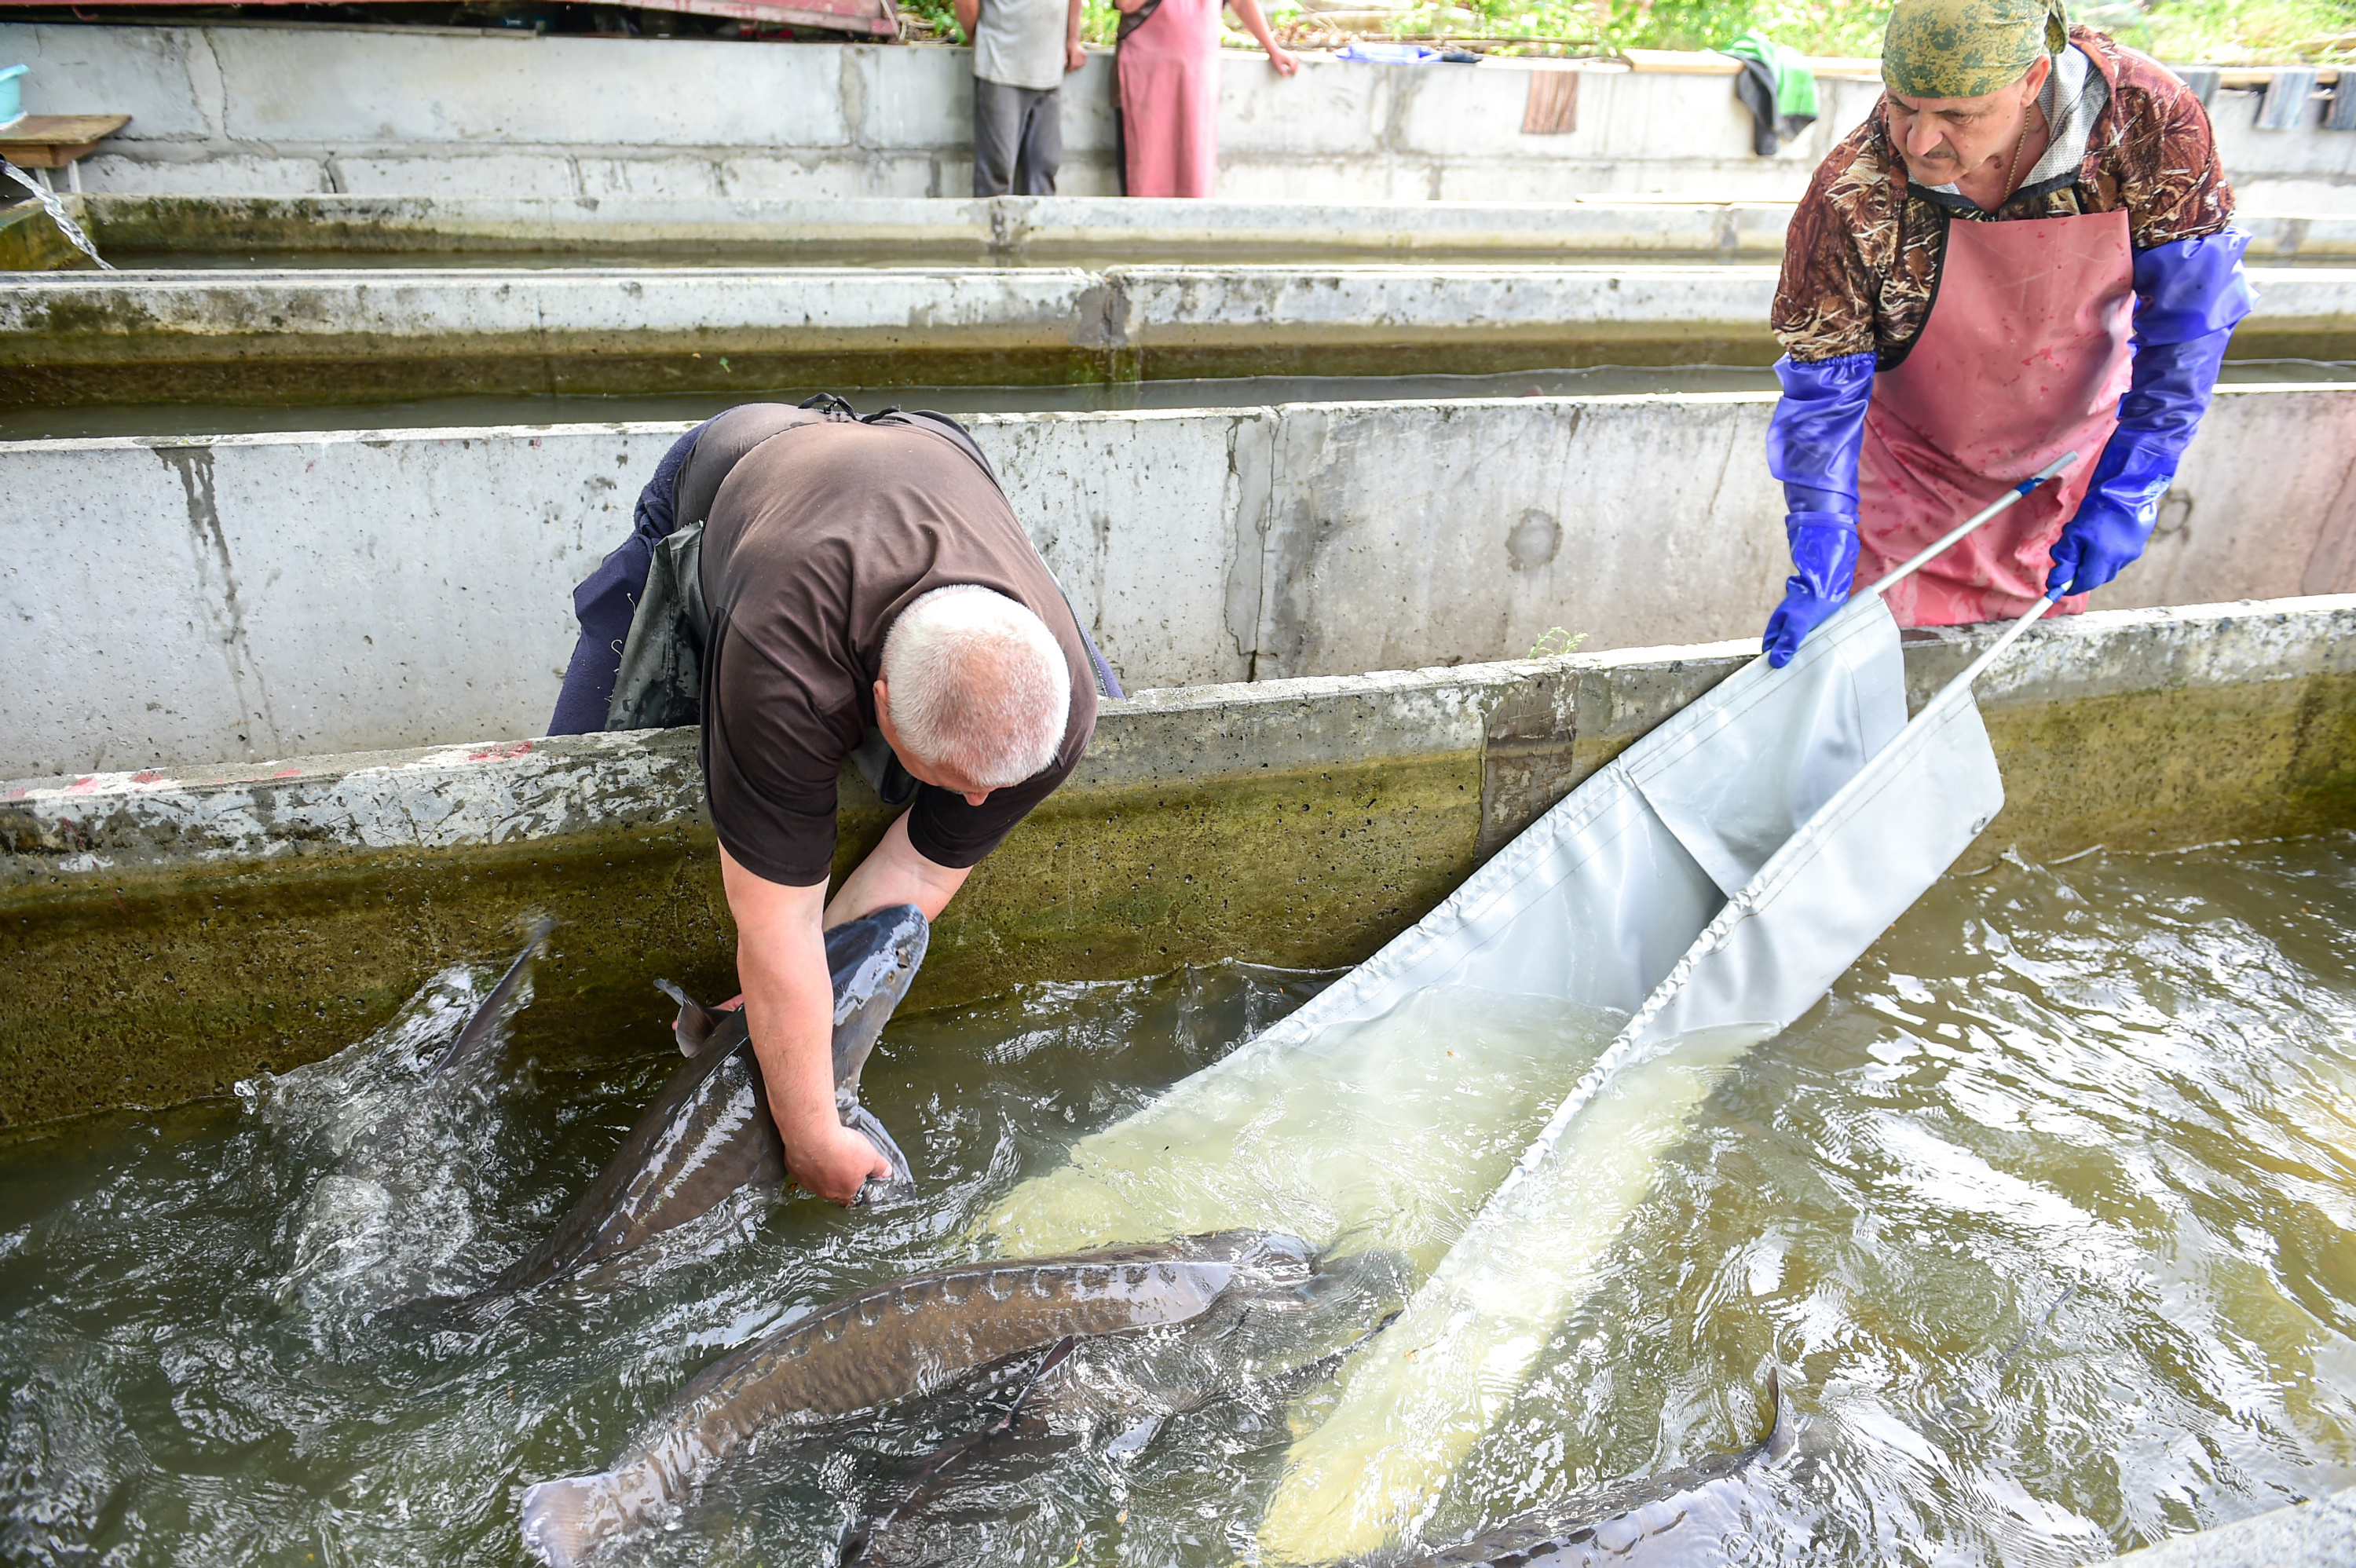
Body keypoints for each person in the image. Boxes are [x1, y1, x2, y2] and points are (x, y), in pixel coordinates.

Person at [548, 400, 1120, 1203]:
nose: (984, 801)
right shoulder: (782, 662)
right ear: (875, 702)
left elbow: (916, 878)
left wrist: (784, 1017)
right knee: (572, 786)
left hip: (928, 451)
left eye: (998, 784)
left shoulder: (1062, 709)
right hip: (738, 471)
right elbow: (774, 923)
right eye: (961, 781)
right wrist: (814, 1134)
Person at [1759, 0, 2253, 666]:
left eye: (1958, 116)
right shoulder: (1855, 191)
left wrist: (2136, 476)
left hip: (2066, 463)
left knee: (2017, 671)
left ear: (2031, 79)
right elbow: (1823, 390)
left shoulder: (2145, 118)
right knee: (1874, 667)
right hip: (1910, 472)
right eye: (1903, 105)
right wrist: (1821, 531)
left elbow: (2190, 321)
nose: (1920, 141)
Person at [1113, 0, 1296, 198]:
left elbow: (1241, 2)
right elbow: (1126, 4)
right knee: (1146, 173)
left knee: (1195, 176)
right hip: (1145, 79)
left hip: (1196, 84)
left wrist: (1273, 49)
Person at [957, 0, 1088, 196]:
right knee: (997, 174)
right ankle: (994, 226)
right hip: (1001, 69)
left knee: (1044, 171)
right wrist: (984, 39)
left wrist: (1073, 39)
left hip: (1050, 71)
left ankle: (1040, 225)